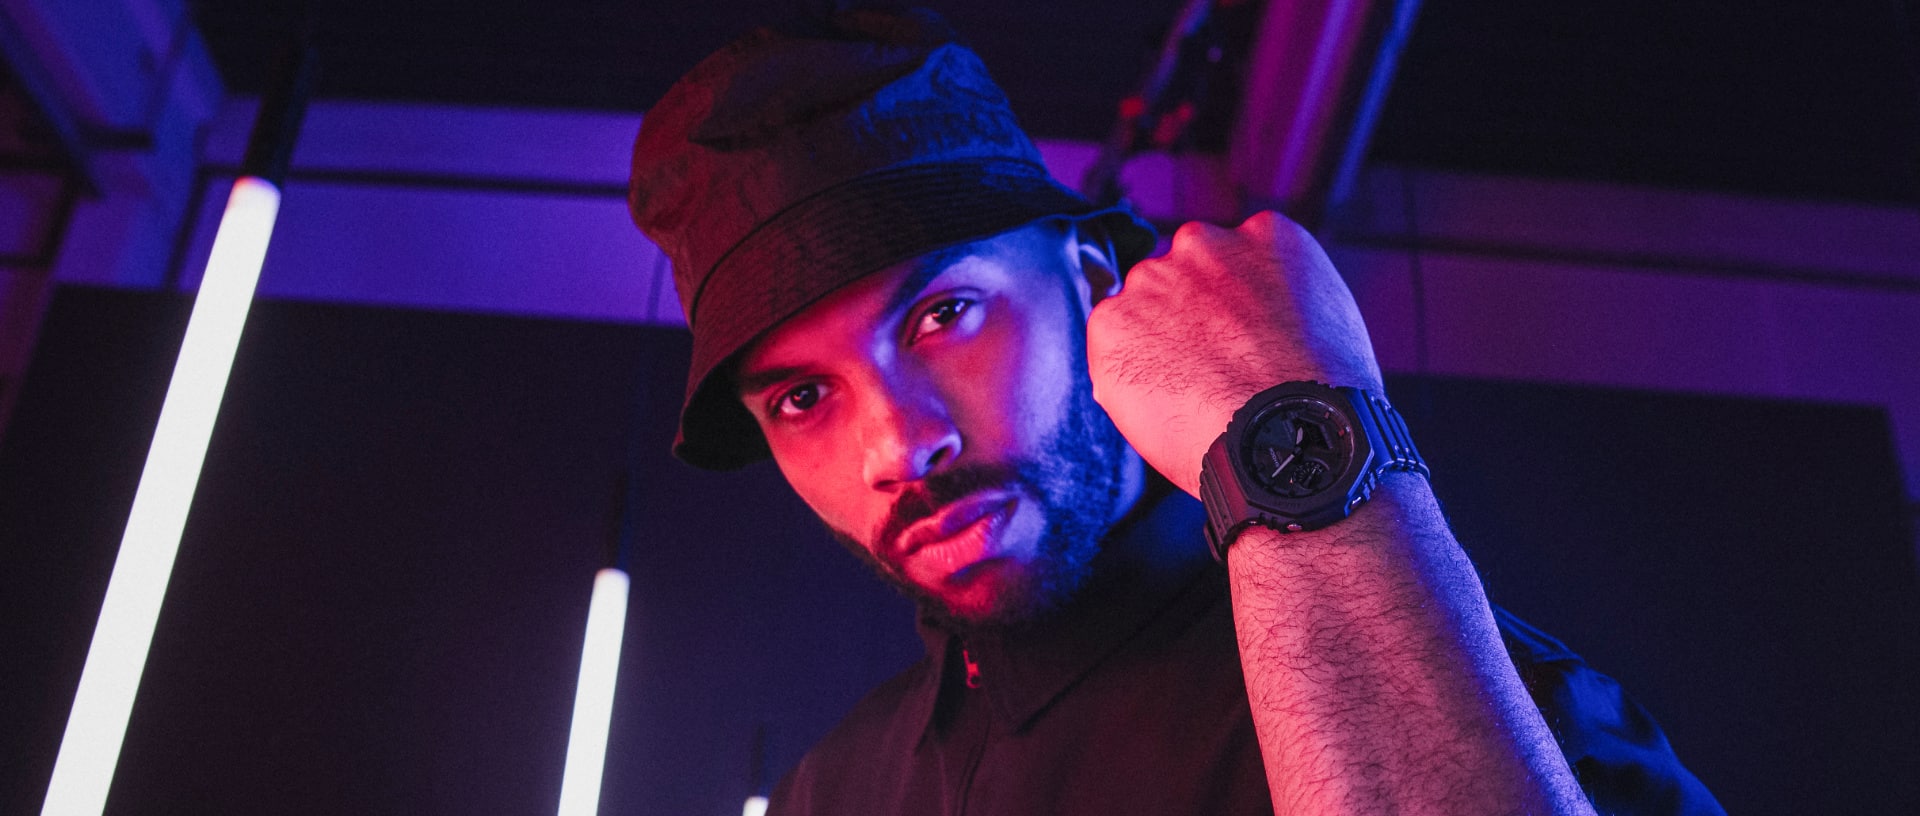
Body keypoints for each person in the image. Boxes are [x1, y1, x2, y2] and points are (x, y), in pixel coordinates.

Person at [627, 8, 1724, 815]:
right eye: (803, 396)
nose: (900, 444)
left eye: (943, 314)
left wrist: (1295, 427)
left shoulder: (1471, 709)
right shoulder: (835, 794)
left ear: (1098, 278)